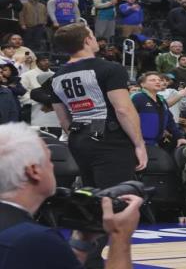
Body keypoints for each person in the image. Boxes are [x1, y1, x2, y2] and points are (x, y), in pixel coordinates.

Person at [49, 23, 147, 269]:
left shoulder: (57, 76)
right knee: (115, 200)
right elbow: (123, 110)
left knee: (94, 199)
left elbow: (63, 119)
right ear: (87, 40)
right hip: (108, 137)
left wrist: (80, 136)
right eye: (92, 35)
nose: (95, 39)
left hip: (79, 137)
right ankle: (88, 259)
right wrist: (139, 143)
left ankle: (86, 256)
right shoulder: (109, 68)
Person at [0, 122, 143, 269]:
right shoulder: (35, 240)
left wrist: (81, 242)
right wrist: (120, 237)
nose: (52, 166)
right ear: (34, 171)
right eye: (49, 160)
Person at [131, 71, 186, 151]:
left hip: (155, 144)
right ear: (142, 84)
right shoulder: (138, 98)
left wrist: (180, 137)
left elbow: (170, 121)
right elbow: (127, 119)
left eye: (159, 80)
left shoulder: (161, 100)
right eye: (153, 80)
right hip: (138, 144)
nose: (157, 82)